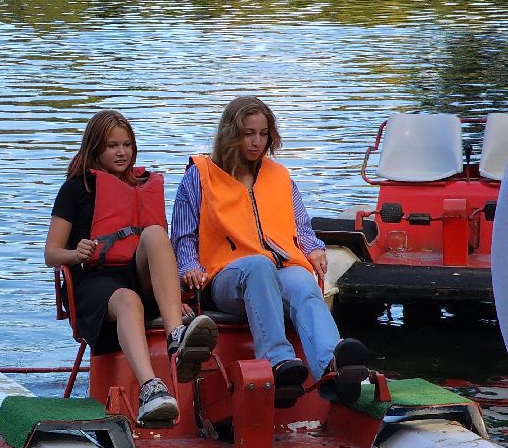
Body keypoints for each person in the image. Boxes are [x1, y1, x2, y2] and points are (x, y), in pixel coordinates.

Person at [170, 95, 371, 404]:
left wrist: (314, 249)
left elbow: (300, 226)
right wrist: (188, 268)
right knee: (258, 267)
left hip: (277, 268)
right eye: (248, 133)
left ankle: (332, 367)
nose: (256, 142)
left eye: (263, 134)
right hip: (224, 277)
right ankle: (278, 363)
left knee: (303, 280)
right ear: (230, 133)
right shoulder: (200, 176)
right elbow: (183, 236)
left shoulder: (279, 176)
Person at [46, 110, 219, 426]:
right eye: (112, 145)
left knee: (153, 232)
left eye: (127, 144)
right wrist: (75, 253)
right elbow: (51, 253)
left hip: (138, 276)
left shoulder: (142, 184)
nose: (121, 152)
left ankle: (176, 335)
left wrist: (173, 296)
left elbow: (159, 252)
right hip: (95, 284)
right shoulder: (76, 188)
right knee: (128, 300)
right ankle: (151, 389)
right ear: (95, 148)